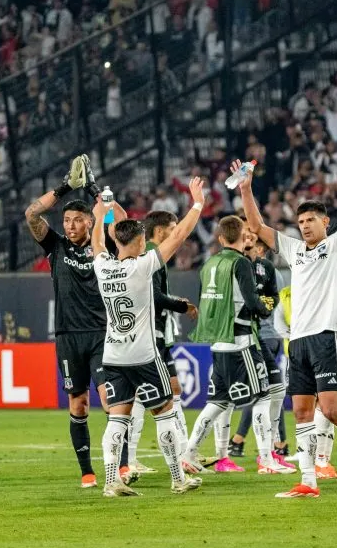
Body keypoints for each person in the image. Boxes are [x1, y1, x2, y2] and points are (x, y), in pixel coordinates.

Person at [238, 147, 337, 498]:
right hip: (299, 341)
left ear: (324, 223)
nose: (304, 226)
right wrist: (246, 189)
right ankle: (308, 481)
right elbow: (257, 226)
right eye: (301, 222)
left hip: (326, 336)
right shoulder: (292, 249)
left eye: (311, 221)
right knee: (302, 411)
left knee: (332, 409)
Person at [91, 177, 206, 497]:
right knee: (165, 411)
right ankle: (176, 478)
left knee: (117, 419)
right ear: (139, 242)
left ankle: (112, 480)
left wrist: (100, 215)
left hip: (112, 355)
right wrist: (197, 203)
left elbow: (97, 243)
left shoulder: (102, 266)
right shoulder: (143, 266)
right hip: (143, 354)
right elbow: (181, 234)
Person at [25, 154, 129, 489]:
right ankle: (87, 471)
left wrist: (98, 191)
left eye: (75, 220)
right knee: (79, 403)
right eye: (66, 220)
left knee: (111, 400)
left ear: (89, 222)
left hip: (102, 333)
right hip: (68, 336)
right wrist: (66, 186)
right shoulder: (55, 246)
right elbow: (31, 214)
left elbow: (122, 223)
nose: (69, 225)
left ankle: (123, 466)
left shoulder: (105, 245)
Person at [180, 216, 295, 476]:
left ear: (220, 238)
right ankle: (267, 459)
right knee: (263, 397)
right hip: (242, 341)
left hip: (219, 344)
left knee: (218, 402)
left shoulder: (209, 263)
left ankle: (188, 454)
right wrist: (265, 308)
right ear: (243, 236)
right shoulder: (241, 263)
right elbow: (254, 302)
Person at [123, 211, 199, 475]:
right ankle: (133, 459)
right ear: (160, 231)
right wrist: (180, 304)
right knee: (149, 397)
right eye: (173, 227)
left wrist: (176, 301)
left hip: (159, 334)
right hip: (150, 334)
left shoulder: (155, 255)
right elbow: (153, 296)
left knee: (172, 390)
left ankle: (184, 453)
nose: (176, 231)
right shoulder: (152, 256)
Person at [230, 231, 292, 468]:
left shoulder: (263, 270)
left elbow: (268, 304)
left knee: (260, 392)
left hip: (261, 335)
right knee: (270, 390)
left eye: (252, 244)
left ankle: (240, 441)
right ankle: (280, 444)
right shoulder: (275, 273)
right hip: (271, 335)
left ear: (262, 250)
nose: (247, 246)